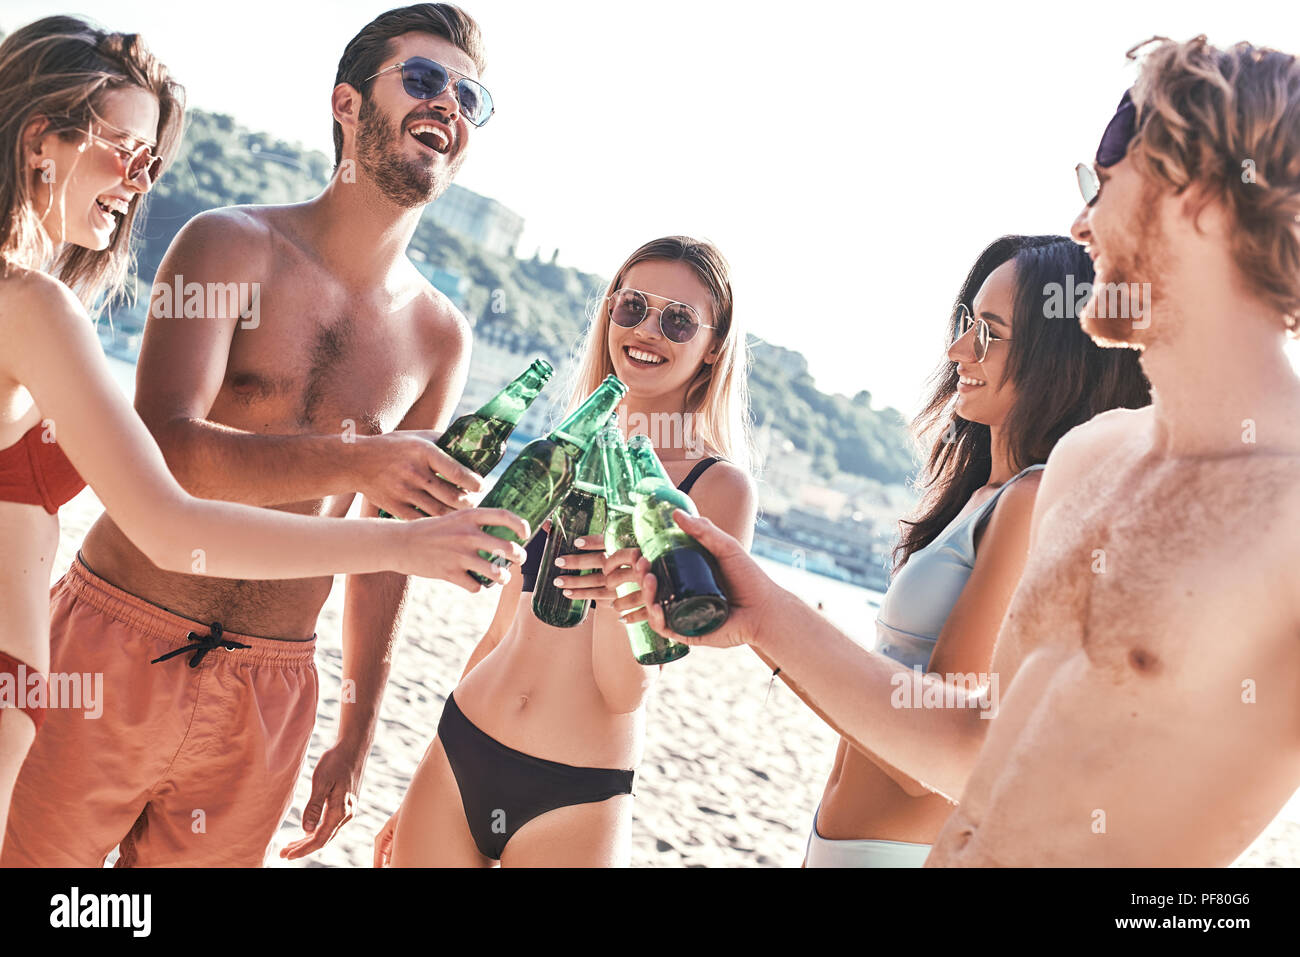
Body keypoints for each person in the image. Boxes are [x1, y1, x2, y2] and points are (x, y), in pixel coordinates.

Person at [635, 34, 1300, 866]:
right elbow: (963, 747)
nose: (1079, 221)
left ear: (1197, 193)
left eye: (1103, 177)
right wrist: (760, 610)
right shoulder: (1089, 464)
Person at [1, 4, 523, 868]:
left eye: (471, 96)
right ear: (347, 105)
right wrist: (368, 464)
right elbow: (166, 456)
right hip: (115, 638)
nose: (450, 105)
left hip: (271, 686)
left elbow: (392, 542)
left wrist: (358, 728)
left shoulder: (441, 336)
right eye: (424, 80)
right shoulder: (227, 245)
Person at [374, 236, 758, 867]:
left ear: (714, 344)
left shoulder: (714, 489)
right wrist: (422, 775)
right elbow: (503, 630)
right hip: (461, 745)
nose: (648, 330)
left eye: (679, 319)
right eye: (632, 307)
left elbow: (624, 687)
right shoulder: (564, 447)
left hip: (574, 788)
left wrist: (619, 593)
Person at [801, 235, 1149, 867]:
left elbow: (929, 753)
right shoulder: (984, 494)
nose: (959, 350)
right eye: (966, 325)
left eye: (988, 334)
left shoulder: (1031, 502)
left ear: (1059, 359)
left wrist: (776, 629)